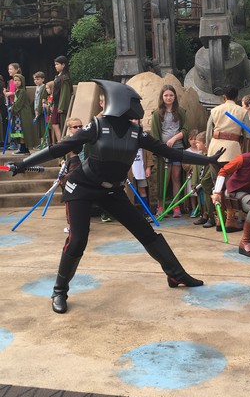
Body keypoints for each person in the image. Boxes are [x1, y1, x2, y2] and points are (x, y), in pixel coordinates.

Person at [8, 80, 224, 314]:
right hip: (81, 187)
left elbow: (170, 152)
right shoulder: (96, 126)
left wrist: (207, 160)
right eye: (134, 102)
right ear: (121, 102)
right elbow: (59, 148)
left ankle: (176, 275)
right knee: (78, 239)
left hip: (112, 190)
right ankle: (59, 291)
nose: (138, 107)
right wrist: (23, 164)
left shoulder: (136, 133)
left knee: (146, 232)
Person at [203, 85, 250, 232]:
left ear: (223, 97)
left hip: (214, 150)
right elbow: (248, 135)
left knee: (217, 185)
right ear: (237, 98)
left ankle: (220, 219)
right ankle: (230, 219)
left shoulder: (215, 110)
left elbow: (208, 133)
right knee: (230, 186)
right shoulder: (242, 111)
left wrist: (208, 150)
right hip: (232, 151)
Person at [151, 84, 188, 218]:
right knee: (163, 179)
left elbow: (186, 129)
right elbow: (155, 134)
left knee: (176, 178)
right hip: (164, 151)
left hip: (178, 148)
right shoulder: (157, 113)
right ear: (162, 97)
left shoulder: (181, 111)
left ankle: (176, 207)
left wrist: (174, 138)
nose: (168, 98)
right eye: (166, 95)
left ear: (175, 97)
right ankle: (161, 207)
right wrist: (161, 148)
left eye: (171, 95)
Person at [9, 73, 36, 155]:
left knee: (22, 131)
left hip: (23, 114)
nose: (16, 82)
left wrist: (12, 108)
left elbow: (19, 103)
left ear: (22, 81)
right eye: (15, 80)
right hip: (18, 114)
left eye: (18, 80)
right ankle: (22, 147)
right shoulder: (18, 91)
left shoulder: (22, 91)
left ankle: (23, 148)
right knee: (19, 131)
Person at [52, 55, 73, 141]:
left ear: (63, 65)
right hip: (56, 103)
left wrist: (61, 106)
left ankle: (61, 142)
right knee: (54, 123)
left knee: (60, 123)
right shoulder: (59, 76)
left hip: (60, 105)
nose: (55, 66)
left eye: (57, 64)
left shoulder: (65, 78)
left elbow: (65, 93)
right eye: (55, 64)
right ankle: (59, 141)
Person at [181, 129, 200, 217]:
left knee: (199, 193)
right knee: (192, 193)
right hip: (191, 176)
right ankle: (193, 208)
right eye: (191, 139)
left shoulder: (201, 151)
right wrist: (192, 166)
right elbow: (184, 165)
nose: (193, 141)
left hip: (200, 176)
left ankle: (201, 209)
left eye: (195, 139)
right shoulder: (187, 152)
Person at [32, 71, 47, 147]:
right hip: (36, 109)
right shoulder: (37, 87)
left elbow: (43, 98)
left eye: (38, 79)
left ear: (42, 79)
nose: (36, 81)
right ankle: (41, 142)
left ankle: (45, 142)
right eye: (35, 79)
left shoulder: (44, 87)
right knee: (39, 128)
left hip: (42, 110)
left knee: (43, 127)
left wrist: (39, 110)